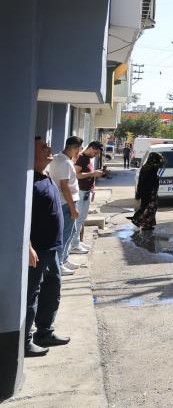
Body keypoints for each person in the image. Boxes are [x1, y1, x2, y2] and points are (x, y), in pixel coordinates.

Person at [24, 137, 69, 357]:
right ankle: (23, 342)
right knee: (31, 296)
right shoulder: (29, 182)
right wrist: (28, 247)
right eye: (43, 147)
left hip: (52, 249)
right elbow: (21, 218)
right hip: (38, 250)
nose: (49, 149)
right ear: (30, 153)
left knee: (52, 291)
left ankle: (45, 332)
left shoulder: (46, 175)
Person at [47, 136, 82, 273]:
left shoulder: (58, 157)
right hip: (67, 202)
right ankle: (59, 263)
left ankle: (64, 259)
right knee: (65, 234)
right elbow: (65, 186)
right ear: (74, 148)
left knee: (71, 231)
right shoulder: (65, 163)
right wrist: (73, 208)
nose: (79, 152)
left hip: (63, 201)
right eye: (78, 149)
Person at [72, 141, 106, 254]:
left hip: (86, 192)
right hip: (81, 192)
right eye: (96, 152)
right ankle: (74, 245)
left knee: (81, 219)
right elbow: (76, 175)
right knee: (79, 219)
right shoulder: (81, 157)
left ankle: (77, 242)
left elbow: (89, 174)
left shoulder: (87, 158)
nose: (96, 155)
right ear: (91, 148)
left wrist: (92, 187)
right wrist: (93, 174)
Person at [132, 153, 162, 231]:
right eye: (158, 159)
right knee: (150, 208)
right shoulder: (153, 167)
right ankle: (142, 222)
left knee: (146, 207)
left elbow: (140, 181)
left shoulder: (145, 167)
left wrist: (139, 192)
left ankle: (148, 223)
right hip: (150, 192)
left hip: (144, 191)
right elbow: (162, 164)